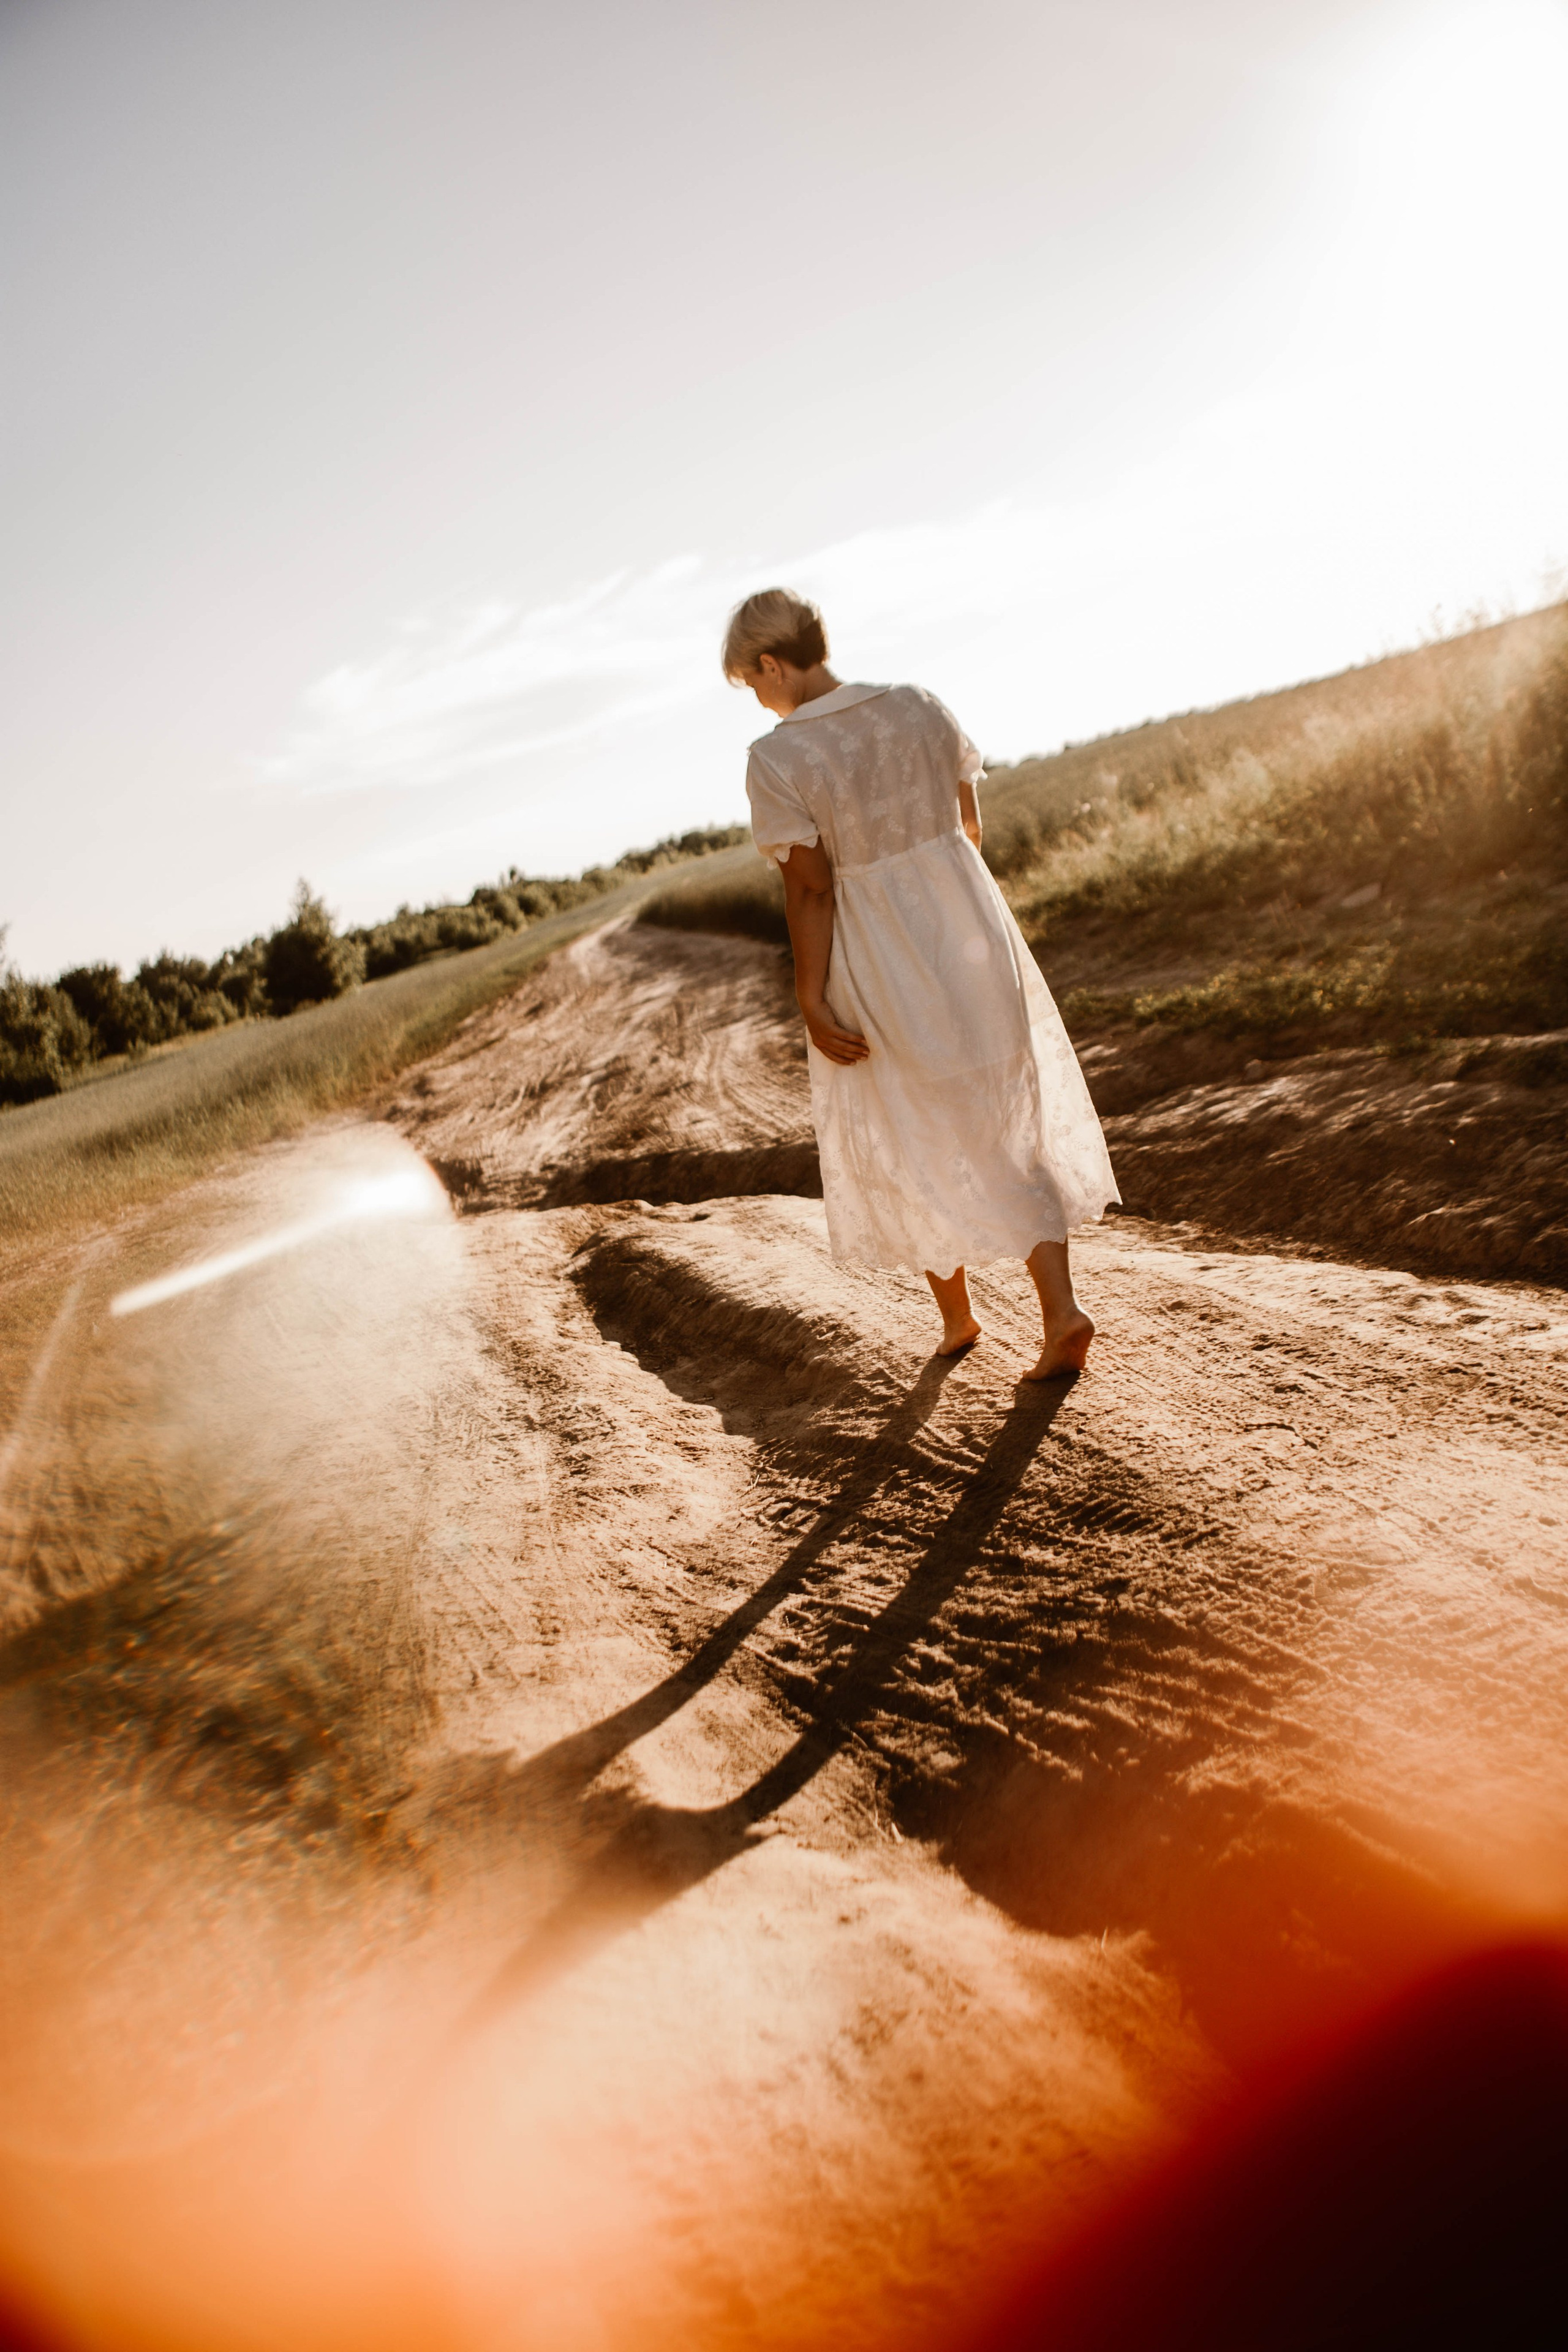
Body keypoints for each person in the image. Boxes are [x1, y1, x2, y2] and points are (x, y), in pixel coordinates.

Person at [725, 587, 1119, 1380]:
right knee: (1005, 1108)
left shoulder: (776, 757)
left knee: (907, 1118)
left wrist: (809, 995)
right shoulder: (920, 704)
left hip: (878, 949)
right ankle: (1060, 1309)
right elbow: (969, 827)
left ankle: (959, 1316)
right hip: (971, 927)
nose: (759, 703)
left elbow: (810, 888)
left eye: (753, 685)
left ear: (772, 664)